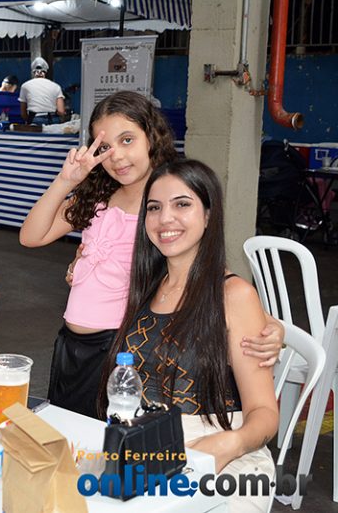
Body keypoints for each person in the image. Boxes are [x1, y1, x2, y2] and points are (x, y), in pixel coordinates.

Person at [20, 91, 283, 418]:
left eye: (127, 140)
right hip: (70, 345)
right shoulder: (98, 196)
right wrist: (65, 181)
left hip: (119, 349)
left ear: (152, 136)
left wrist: (271, 324)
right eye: (104, 147)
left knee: (105, 440)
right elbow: (31, 236)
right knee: (66, 433)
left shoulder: (164, 206)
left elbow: (207, 275)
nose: (117, 156)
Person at [97, 159, 277, 512]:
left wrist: (231, 444)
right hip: (148, 446)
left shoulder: (234, 296)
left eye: (182, 204)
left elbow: (265, 413)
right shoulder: (147, 287)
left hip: (223, 450)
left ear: (208, 215)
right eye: (154, 208)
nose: (165, 219)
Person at [18, 57, 64, 125]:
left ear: (33, 71)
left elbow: (23, 113)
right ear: (45, 71)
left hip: (35, 119)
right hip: (53, 120)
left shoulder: (25, 86)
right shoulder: (56, 86)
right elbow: (61, 111)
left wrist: (29, 121)